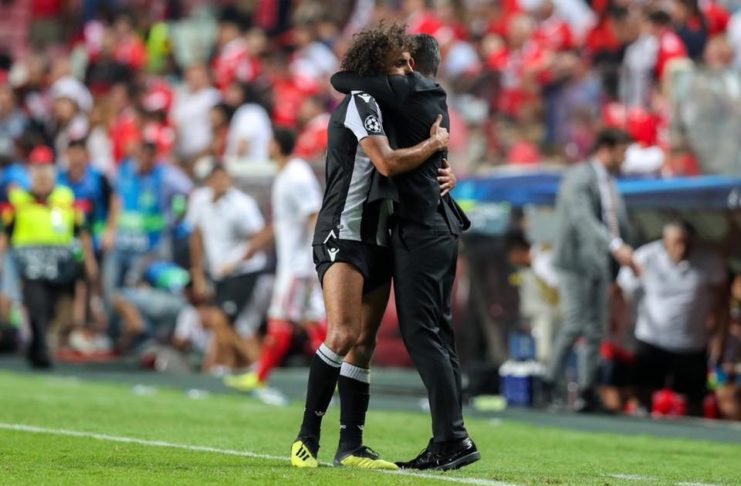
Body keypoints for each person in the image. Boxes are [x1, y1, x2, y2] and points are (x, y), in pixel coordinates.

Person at [290, 23, 450, 470]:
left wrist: (445, 173)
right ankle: (306, 439)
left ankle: (351, 446)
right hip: (343, 231)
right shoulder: (362, 102)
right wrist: (435, 143)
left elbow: (415, 167)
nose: (408, 70)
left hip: (379, 236)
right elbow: (387, 162)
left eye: (410, 62)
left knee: (363, 343)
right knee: (342, 334)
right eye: (399, 63)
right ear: (377, 65)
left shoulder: (391, 109)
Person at [330, 33, 478, 470]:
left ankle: (452, 439)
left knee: (422, 335)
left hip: (422, 229)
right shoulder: (433, 99)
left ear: (412, 64)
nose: (396, 70)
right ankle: (452, 437)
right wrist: (442, 160)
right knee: (439, 336)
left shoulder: (409, 90)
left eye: (399, 63)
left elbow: (342, 80)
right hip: (437, 227)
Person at [543, 127, 638, 413]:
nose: (624, 159)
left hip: (598, 263)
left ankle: (587, 390)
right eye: (622, 152)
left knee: (596, 329)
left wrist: (619, 254)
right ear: (605, 149)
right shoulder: (579, 176)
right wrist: (615, 245)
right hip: (575, 262)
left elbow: (615, 220)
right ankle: (548, 383)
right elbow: (582, 218)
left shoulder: (608, 181)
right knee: (575, 323)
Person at [224, 127, 325, 390]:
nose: (266, 147)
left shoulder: (296, 175)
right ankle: (334, 375)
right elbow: (284, 223)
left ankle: (259, 376)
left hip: (297, 266)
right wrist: (253, 246)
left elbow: (314, 214)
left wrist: (314, 257)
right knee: (313, 319)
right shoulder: (287, 174)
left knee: (279, 318)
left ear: (278, 146)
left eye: (269, 142)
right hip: (299, 263)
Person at [0, 145, 96, 368]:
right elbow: (5, 233)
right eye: (37, 171)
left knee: (55, 310)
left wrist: (88, 260)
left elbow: (81, 232)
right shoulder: (17, 200)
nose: (42, 178)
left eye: (46, 171)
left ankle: (39, 346)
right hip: (30, 267)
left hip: (60, 268)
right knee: (36, 306)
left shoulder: (65, 198)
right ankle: (41, 347)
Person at [617, 222, 727, 415]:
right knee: (641, 394)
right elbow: (620, 290)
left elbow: (722, 301)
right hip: (651, 339)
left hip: (691, 344)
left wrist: (718, 337)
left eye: (687, 243)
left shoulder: (709, 262)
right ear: (665, 242)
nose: (682, 248)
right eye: (678, 242)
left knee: (694, 401)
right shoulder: (646, 257)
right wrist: (619, 329)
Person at [187, 163, 268, 370]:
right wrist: (197, 274)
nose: (222, 182)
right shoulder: (199, 200)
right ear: (209, 181)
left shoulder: (242, 204)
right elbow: (196, 237)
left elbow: (258, 237)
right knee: (229, 324)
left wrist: (236, 261)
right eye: (217, 178)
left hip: (244, 271)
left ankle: (254, 363)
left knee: (219, 318)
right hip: (218, 272)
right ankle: (231, 364)